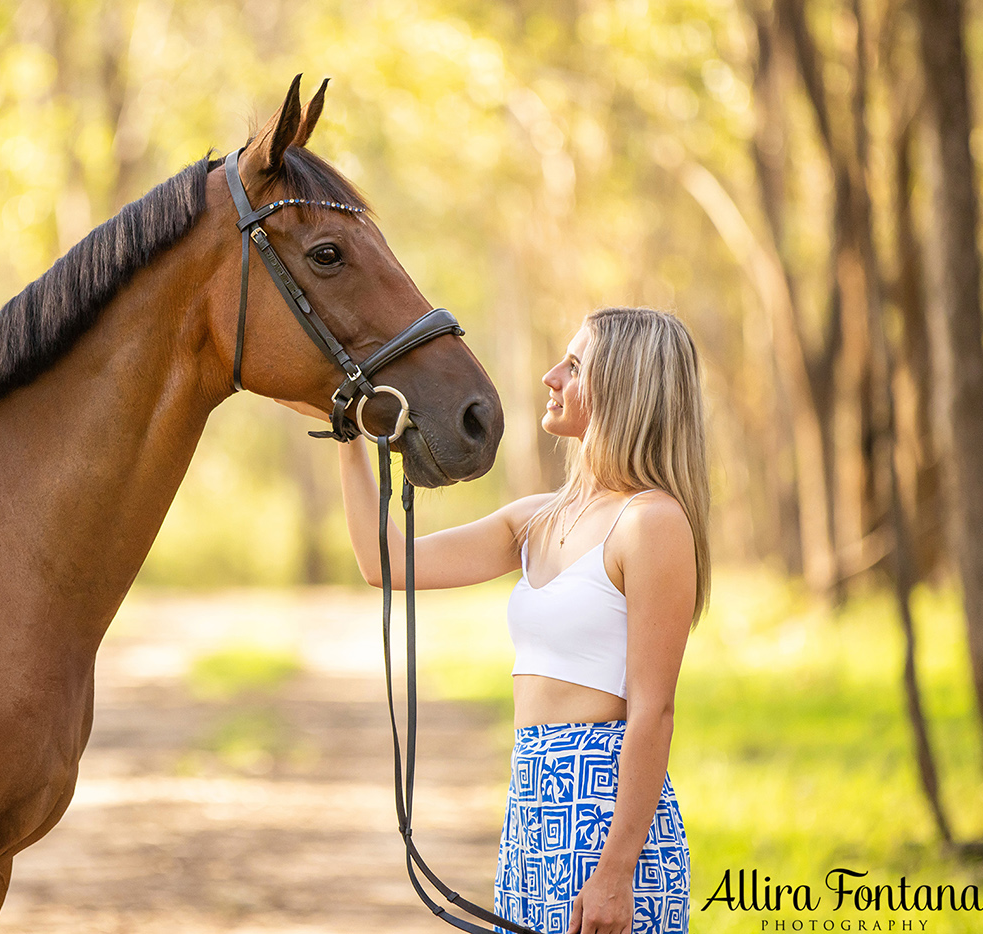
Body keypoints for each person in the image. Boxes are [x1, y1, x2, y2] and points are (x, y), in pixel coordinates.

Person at [292, 306, 709, 934]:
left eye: (574, 366)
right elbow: (388, 562)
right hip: (531, 805)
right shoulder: (537, 518)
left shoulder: (651, 524)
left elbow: (653, 712)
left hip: (601, 809)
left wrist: (616, 874)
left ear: (625, 386)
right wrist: (350, 435)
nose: (550, 377)